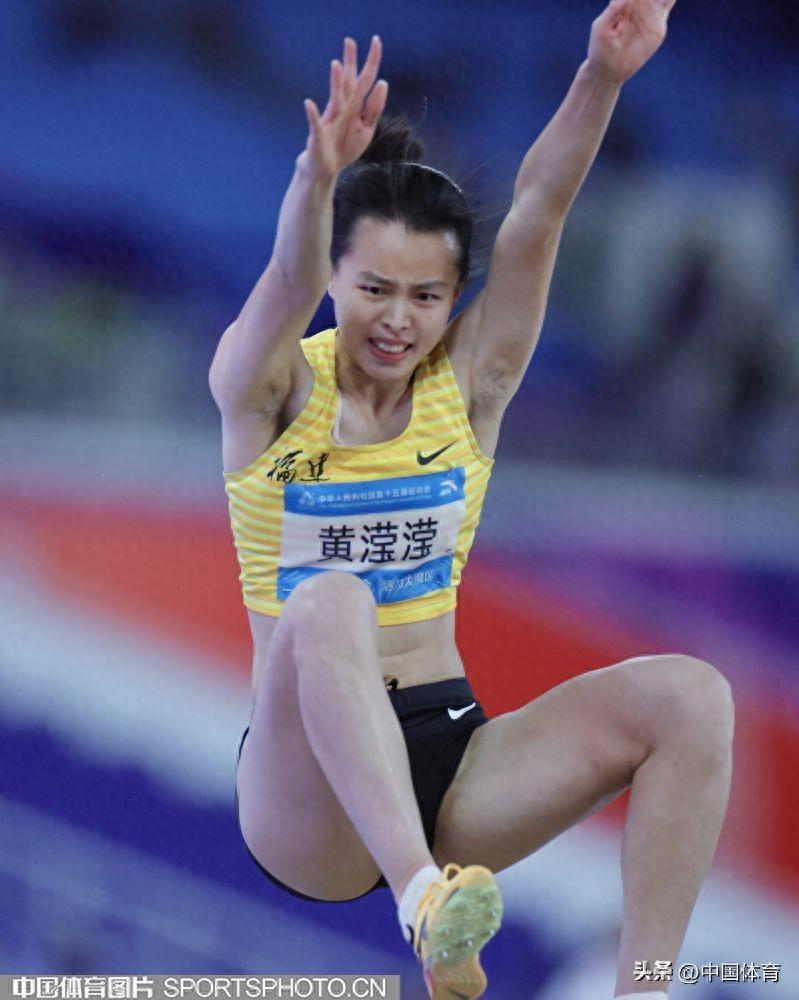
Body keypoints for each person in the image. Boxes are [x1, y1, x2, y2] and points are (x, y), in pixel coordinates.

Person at [210, 2, 734, 997]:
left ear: (452, 300)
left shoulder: (471, 383)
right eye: (374, 289)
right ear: (335, 277)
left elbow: (539, 209)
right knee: (331, 599)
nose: (396, 321)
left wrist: (602, 76)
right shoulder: (267, 387)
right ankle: (424, 905)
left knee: (691, 695)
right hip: (306, 794)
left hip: (451, 758)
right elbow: (283, 274)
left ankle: (644, 988)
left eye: (425, 297)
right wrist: (315, 180)